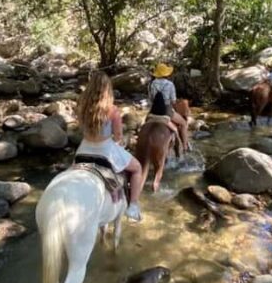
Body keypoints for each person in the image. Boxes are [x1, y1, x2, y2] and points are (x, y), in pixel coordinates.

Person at [76, 71, 143, 222]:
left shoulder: (82, 107)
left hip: (83, 150)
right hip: (105, 151)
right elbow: (118, 136)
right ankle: (133, 206)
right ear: (107, 89)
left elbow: (82, 129)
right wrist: (120, 143)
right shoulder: (112, 110)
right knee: (137, 168)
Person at [149, 63, 189, 151]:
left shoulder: (152, 84)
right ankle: (185, 147)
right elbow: (173, 101)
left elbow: (151, 99)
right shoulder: (170, 84)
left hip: (154, 110)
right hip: (166, 109)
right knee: (183, 124)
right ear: (166, 74)